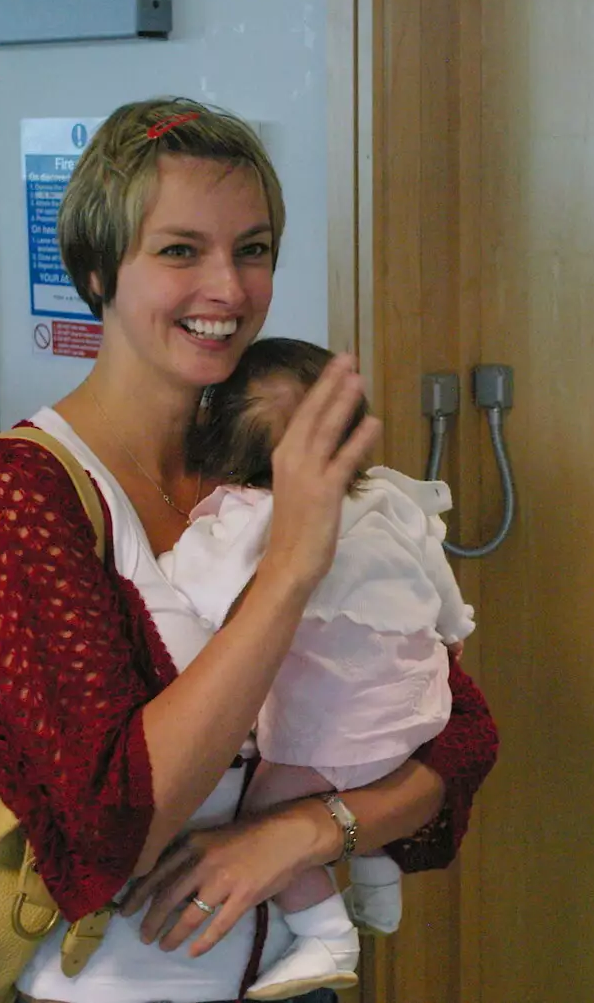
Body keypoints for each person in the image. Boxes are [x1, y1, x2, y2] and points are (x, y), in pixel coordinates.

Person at [0, 97, 499, 1003]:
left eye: (254, 248)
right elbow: (111, 838)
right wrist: (292, 567)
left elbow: (456, 736)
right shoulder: (24, 499)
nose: (229, 290)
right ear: (97, 269)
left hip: (291, 979)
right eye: (180, 250)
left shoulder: (256, 452)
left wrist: (306, 832)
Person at [163, 335, 476, 998]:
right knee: (364, 775)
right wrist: (454, 632)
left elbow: (184, 596)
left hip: (339, 733)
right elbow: (441, 583)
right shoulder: (393, 499)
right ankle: (377, 878)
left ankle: (326, 932)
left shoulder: (246, 523)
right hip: (420, 706)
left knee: (267, 814)